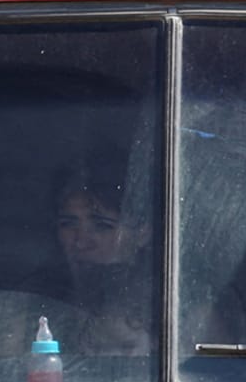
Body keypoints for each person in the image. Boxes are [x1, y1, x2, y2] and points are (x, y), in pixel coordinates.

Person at [25, 150, 153, 354]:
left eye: (102, 226)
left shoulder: (174, 308)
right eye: (68, 224)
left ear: (143, 232)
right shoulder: (34, 302)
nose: (81, 241)